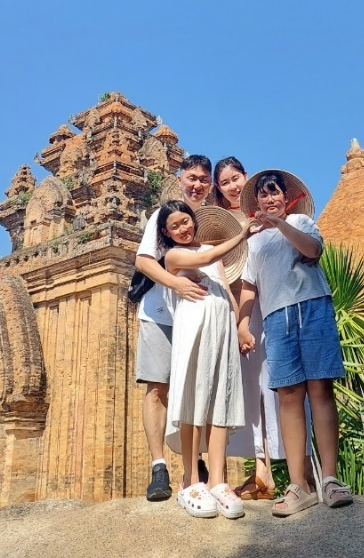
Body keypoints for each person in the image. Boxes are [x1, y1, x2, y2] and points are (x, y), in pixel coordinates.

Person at [237, 170, 354, 517]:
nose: (269, 198)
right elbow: (249, 285)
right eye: (263, 194)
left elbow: (312, 250)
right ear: (256, 201)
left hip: (312, 306)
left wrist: (279, 222)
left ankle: (329, 478)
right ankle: (298, 484)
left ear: (286, 198)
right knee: (288, 396)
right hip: (276, 316)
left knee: (320, 389)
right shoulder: (254, 243)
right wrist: (242, 323)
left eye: (275, 192)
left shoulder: (301, 222)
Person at [159, 201, 255, 518]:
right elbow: (205, 259)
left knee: (219, 400)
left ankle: (217, 480)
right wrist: (241, 234)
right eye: (175, 226)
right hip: (194, 327)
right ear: (166, 232)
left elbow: (225, 287)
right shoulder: (173, 256)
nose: (183, 229)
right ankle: (191, 481)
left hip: (221, 328)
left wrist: (239, 327)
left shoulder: (211, 252)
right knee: (194, 398)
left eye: (186, 221)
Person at [134, 155, 213, 501]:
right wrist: (175, 284)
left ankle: (194, 463)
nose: (197, 185)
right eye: (191, 177)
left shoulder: (210, 220)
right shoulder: (163, 215)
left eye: (203, 180)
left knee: (196, 388)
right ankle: (158, 467)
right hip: (160, 314)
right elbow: (142, 260)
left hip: (197, 314)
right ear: (179, 178)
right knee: (157, 387)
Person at [213, 156, 282, 500]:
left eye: (235, 178)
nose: (231, 186)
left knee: (270, 385)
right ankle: (260, 471)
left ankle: (278, 471)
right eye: (224, 182)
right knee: (246, 389)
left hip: (267, 304)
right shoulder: (217, 223)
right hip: (237, 309)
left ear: (246, 176)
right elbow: (219, 269)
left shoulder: (265, 215)